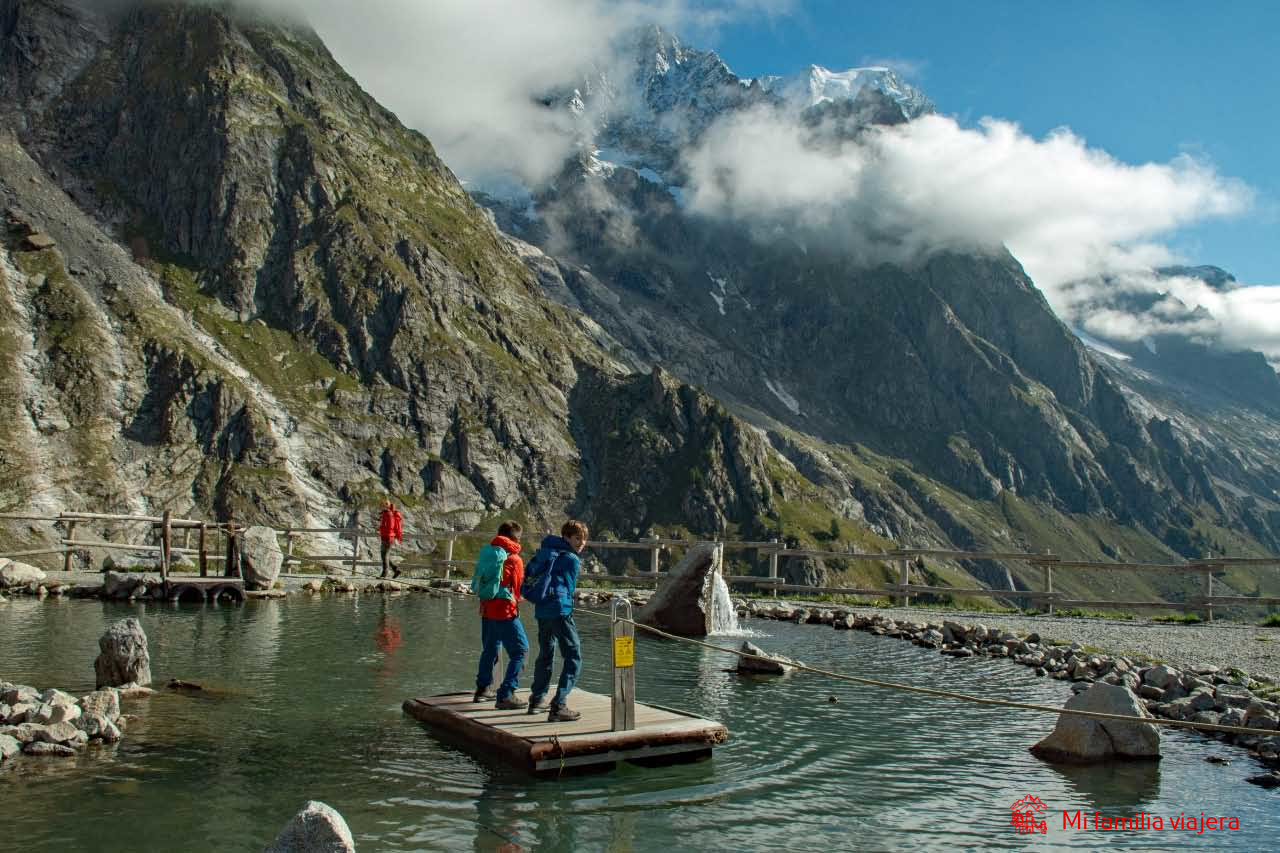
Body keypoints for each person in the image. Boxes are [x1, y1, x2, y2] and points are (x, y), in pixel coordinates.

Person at [527, 519, 588, 722]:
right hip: (560, 612)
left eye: (584, 539)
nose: (581, 543)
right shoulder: (571, 559)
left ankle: (536, 700)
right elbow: (569, 589)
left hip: (542, 610)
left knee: (546, 654)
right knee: (574, 657)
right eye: (577, 538)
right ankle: (559, 704)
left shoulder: (546, 551)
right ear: (567, 537)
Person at [473, 521, 529, 710]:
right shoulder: (514, 559)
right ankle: (506, 694)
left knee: (490, 650)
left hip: (487, 609)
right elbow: (519, 588)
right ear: (516, 538)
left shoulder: (488, 552)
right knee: (520, 651)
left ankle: (482, 689)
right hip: (505, 611)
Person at [378, 499, 403, 578]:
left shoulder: (389, 514)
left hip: (388, 537)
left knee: (384, 555)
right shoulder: (387, 513)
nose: (381, 507)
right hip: (387, 536)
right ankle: (396, 570)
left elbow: (390, 526)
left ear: (386, 505)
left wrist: (382, 530)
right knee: (385, 555)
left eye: (382, 505)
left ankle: (385, 573)